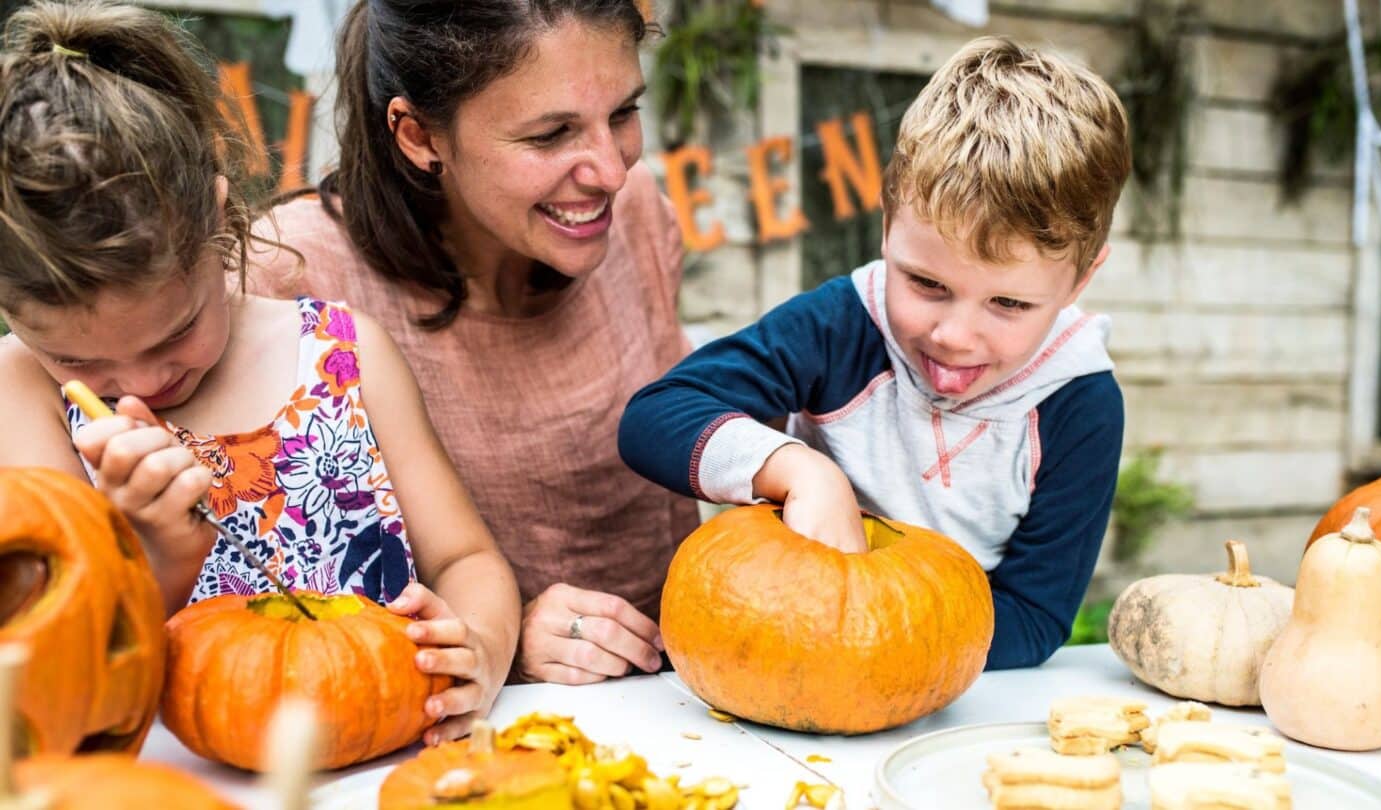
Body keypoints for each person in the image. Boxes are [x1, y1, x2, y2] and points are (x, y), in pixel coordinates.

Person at [0, 0, 519, 743]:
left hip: (384, 762)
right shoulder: (25, 397)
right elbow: (52, 672)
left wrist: (480, 645)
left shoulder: (343, 356)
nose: (140, 384)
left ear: (219, 224)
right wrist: (160, 552)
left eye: (175, 331)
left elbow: (466, 557)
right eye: (78, 361)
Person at [619, 36, 1131, 670]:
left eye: (1009, 305)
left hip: (940, 691)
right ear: (888, 229)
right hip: (785, 645)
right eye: (927, 284)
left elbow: (1034, 617)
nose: (953, 335)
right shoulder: (842, 325)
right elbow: (656, 416)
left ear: (1080, 281)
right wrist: (802, 470)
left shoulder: (1080, 404)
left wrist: (870, 642)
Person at [247, 0, 696, 685]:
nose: (610, 170)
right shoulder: (289, 280)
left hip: (690, 706)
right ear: (419, 135)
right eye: (551, 134)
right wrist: (498, 636)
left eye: (624, 114)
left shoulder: (636, 214)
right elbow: (254, 612)